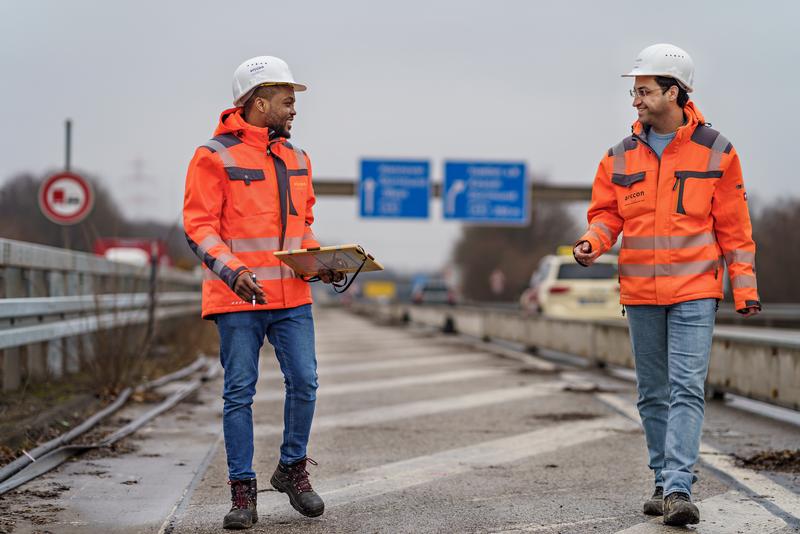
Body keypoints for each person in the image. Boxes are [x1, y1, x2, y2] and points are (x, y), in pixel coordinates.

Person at [573, 43, 760, 527]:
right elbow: (606, 215)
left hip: (696, 291)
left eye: (644, 90)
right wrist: (593, 241)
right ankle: (662, 480)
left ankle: (679, 486)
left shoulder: (717, 151)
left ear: (674, 92)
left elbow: (735, 229)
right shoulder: (618, 156)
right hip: (639, 293)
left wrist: (745, 288)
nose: (635, 100)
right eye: (634, 91)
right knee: (652, 393)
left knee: (686, 388)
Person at [183, 55, 341, 530]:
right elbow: (198, 227)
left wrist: (325, 264)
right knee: (238, 394)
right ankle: (242, 492)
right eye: (287, 100)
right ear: (258, 101)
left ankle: (292, 470)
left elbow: (302, 230)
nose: (295, 108)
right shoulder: (213, 156)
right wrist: (232, 272)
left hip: (292, 297)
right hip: (238, 299)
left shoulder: (298, 158)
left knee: (306, 382)